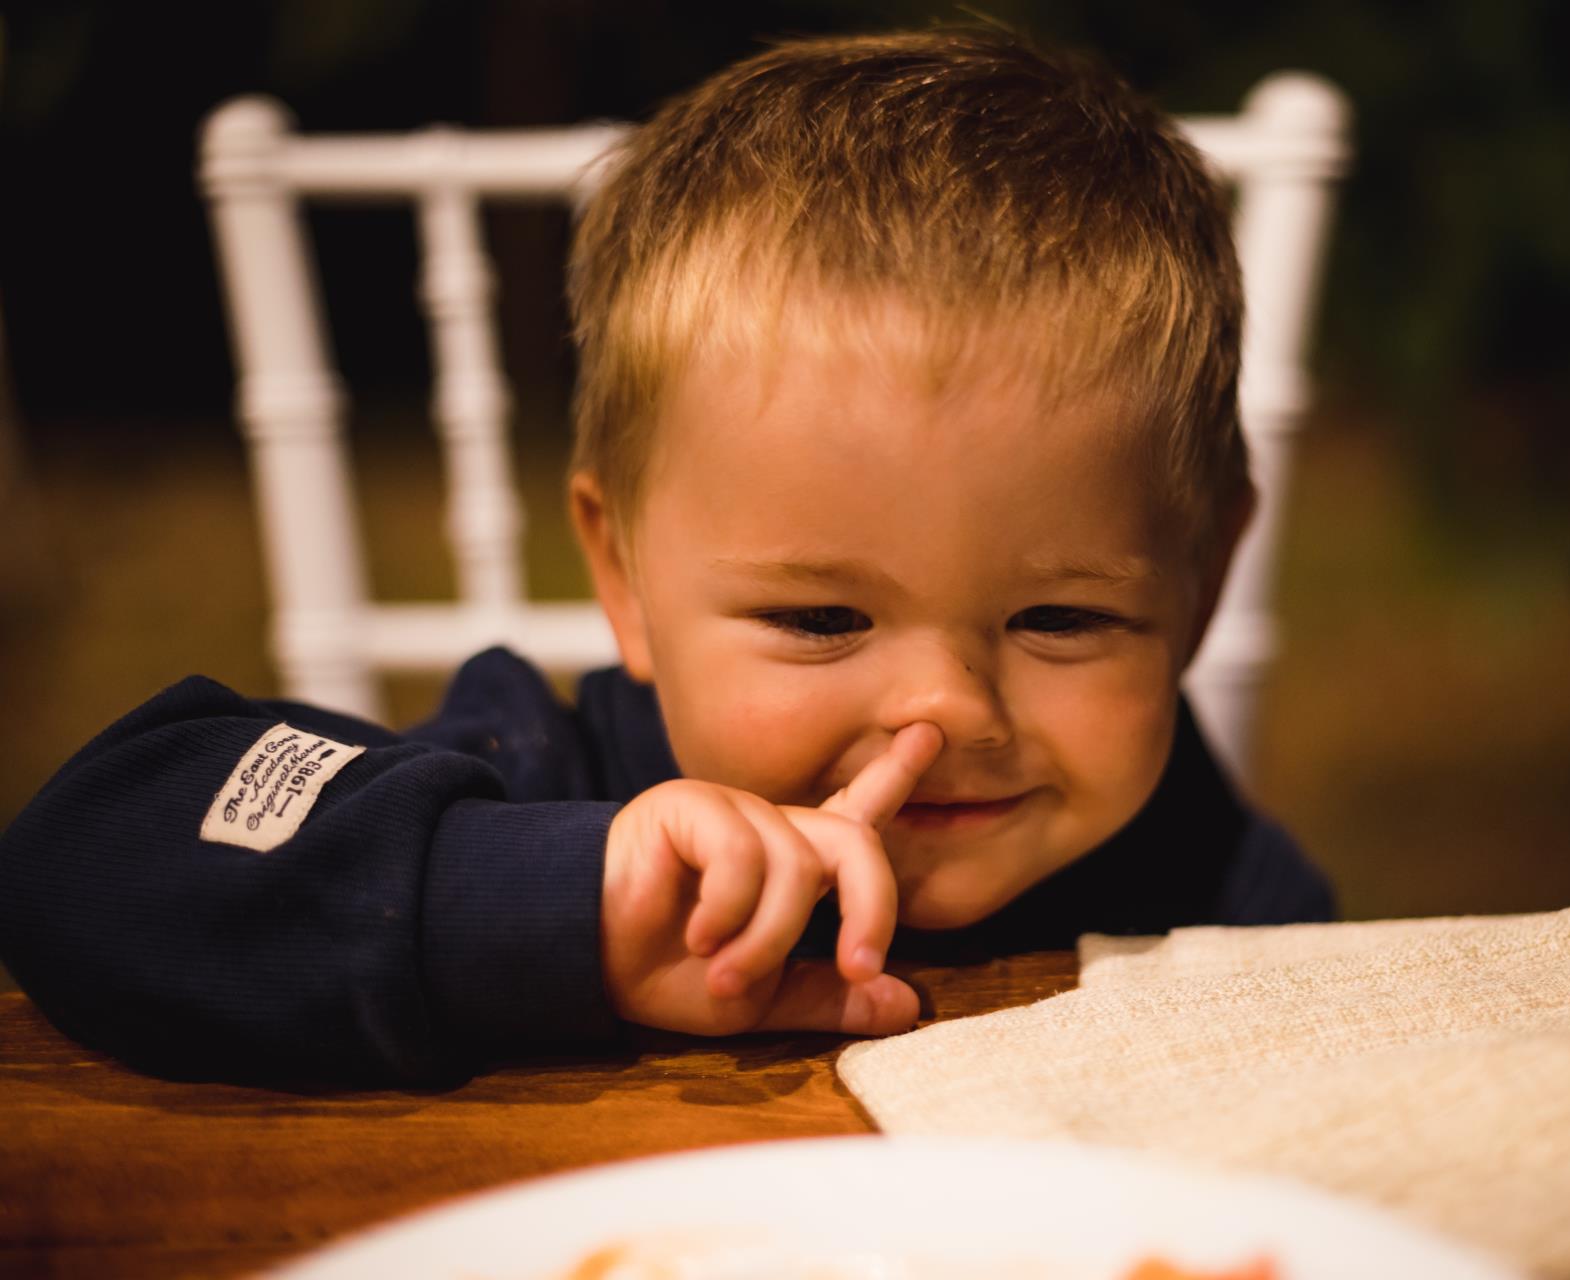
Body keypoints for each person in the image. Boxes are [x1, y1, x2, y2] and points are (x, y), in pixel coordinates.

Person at [0, 29, 1332, 1085]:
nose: (951, 713)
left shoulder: (1208, 877)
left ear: (1202, 579)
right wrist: (552, 901)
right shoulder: (542, 780)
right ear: (624, 581)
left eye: (1059, 619)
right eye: (820, 618)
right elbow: (86, 865)